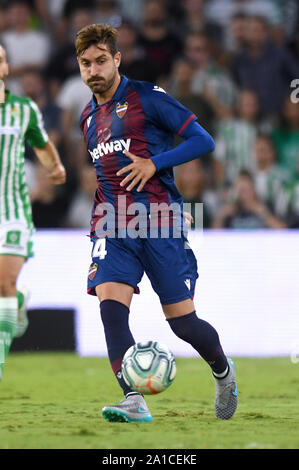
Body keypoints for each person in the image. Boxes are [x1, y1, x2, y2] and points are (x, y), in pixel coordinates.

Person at [76, 24, 238, 423]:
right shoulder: (87, 117)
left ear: (116, 59)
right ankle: (133, 399)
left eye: (100, 61)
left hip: (161, 222)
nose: (93, 70)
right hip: (113, 224)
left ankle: (223, 371)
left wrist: (155, 164)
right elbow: (107, 175)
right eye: (85, 63)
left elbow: (204, 141)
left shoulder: (147, 98)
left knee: (184, 324)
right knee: (110, 308)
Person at [0, 44, 66, 381]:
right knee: (5, 289)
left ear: (5, 67)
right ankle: (18, 301)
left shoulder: (22, 109)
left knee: (3, 281)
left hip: (12, 210)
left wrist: (54, 165)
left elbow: (40, 142)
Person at [212, 169, 286, 229]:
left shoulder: (265, 205)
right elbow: (215, 237)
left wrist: (264, 214)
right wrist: (222, 216)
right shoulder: (231, 211)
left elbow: (283, 231)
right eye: (239, 191)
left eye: (245, 190)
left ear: (253, 190)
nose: (242, 195)